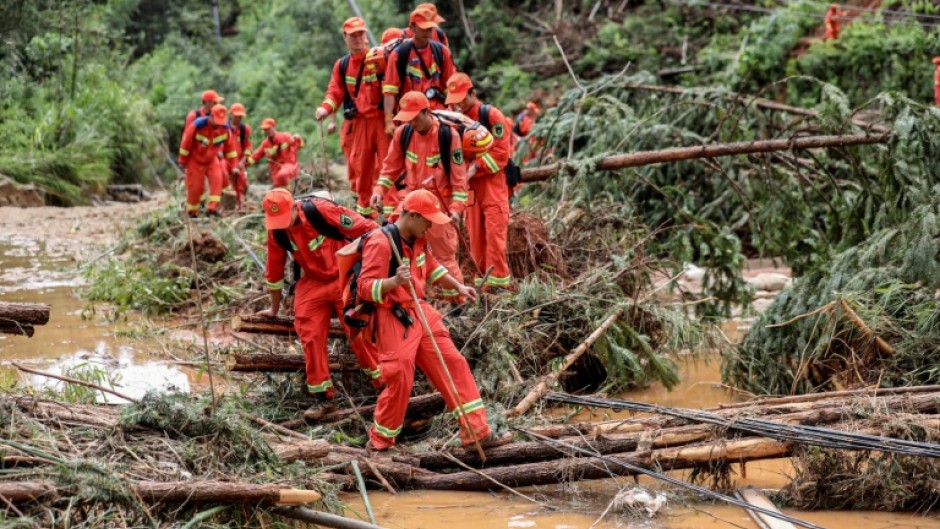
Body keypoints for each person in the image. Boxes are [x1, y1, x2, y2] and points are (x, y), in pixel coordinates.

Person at [357, 189, 510, 452]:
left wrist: (458, 287)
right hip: (394, 315)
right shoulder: (381, 242)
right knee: (400, 376)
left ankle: (476, 433)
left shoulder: (419, 238)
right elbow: (364, 287)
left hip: (421, 310)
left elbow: (431, 267)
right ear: (413, 215)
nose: (430, 225)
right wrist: (394, 281)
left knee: (454, 363)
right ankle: (380, 443)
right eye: (427, 219)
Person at [258, 189, 381, 414]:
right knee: (309, 333)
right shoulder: (276, 231)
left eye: (285, 219)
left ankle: (384, 385)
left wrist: (373, 270)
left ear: (296, 207)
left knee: (358, 333)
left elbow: (369, 228)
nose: (283, 225)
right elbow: (274, 272)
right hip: (312, 281)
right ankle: (323, 397)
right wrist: (273, 309)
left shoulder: (321, 210)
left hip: (344, 276)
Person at [371, 91, 467, 300]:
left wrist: (456, 210)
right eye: (407, 117)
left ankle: (459, 305)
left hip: (438, 206)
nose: (411, 122)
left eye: (415, 117)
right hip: (410, 203)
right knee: (396, 246)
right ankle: (407, 299)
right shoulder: (403, 134)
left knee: (444, 257)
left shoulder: (448, 136)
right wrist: (379, 190)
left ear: (427, 112)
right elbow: (390, 168)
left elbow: (460, 181)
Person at [316, 17, 391, 219]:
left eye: (360, 34)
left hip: (383, 122)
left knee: (388, 168)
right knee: (361, 171)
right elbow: (335, 92)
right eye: (353, 35)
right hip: (359, 124)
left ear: (365, 36)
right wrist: (325, 109)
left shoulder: (379, 58)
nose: (357, 39)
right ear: (345, 38)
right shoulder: (342, 65)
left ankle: (393, 218)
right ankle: (366, 219)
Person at [445, 73, 512, 290]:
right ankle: (481, 286)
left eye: (462, 98)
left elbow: (501, 153)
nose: (459, 104)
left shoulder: (490, 115)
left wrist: (475, 168)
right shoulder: (455, 121)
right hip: (471, 189)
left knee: (495, 237)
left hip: (493, 187)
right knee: (475, 238)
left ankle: (500, 286)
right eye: (455, 100)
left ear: (473, 93)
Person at [382, 7, 458, 134]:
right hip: (412, 116)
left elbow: (449, 86)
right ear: (412, 28)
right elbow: (390, 91)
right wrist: (388, 121)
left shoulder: (442, 51)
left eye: (429, 28)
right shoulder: (399, 54)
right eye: (423, 28)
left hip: (439, 112)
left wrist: (456, 112)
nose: (427, 31)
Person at [178, 104, 238, 217]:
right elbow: (186, 143)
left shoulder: (225, 129)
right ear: (210, 117)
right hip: (195, 160)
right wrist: (182, 160)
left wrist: (234, 166)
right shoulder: (197, 125)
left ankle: (212, 209)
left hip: (211, 159)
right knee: (195, 188)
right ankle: (192, 212)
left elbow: (231, 149)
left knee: (217, 180)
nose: (218, 125)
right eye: (216, 121)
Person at [248, 118, 304, 188]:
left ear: (274, 127)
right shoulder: (265, 144)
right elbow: (255, 156)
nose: (267, 131)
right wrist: (242, 165)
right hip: (276, 172)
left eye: (268, 129)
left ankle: (289, 193)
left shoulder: (285, 137)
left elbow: (299, 145)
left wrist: (298, 138)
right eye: (265, 130)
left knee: (283, 175)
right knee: (278, 189)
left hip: (289, 166)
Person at [228, 103, 252, 209]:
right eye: (236, 116)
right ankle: (229, 207)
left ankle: (240, 204)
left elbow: (248, 145)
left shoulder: (244, 129)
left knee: (241, 183)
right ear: (231, 114)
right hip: (227, 162)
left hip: (240, 161)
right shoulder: (224, 128)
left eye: (240, 116)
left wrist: (243, 160)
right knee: (228, 184)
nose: (238, 118)